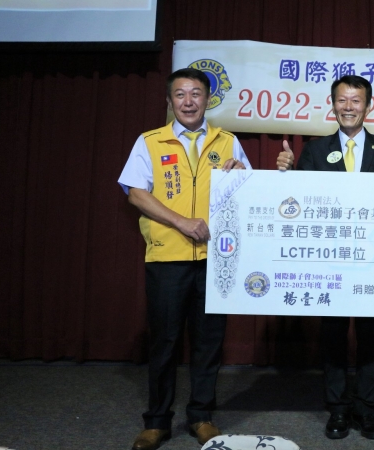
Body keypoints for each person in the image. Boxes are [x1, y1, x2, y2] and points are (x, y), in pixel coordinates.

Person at [118, 67, 251, 450]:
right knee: (164, 342)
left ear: (208, 100)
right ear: (169, 101)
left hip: (216, 259)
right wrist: (181, 222)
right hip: (167, 258)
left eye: (196, 94)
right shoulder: (150, 141)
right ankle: (157, 421)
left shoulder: (227, 141)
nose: (188, 101)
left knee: (209, 342)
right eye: (180, 94)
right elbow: (135, 193)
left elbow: (248, 191)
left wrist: (242, 172)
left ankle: (201, 416)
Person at [276, 74, 374, 440]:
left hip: (373, 261)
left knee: (372, 336)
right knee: (333, 335)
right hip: (330, 260)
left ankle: (366, 408)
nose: (348, 107)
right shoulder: (314, 150)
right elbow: (298, 204)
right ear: (332, 104)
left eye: (356, 101)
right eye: (342, 100)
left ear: (369, 106)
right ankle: (337, 408)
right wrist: (286, 175)